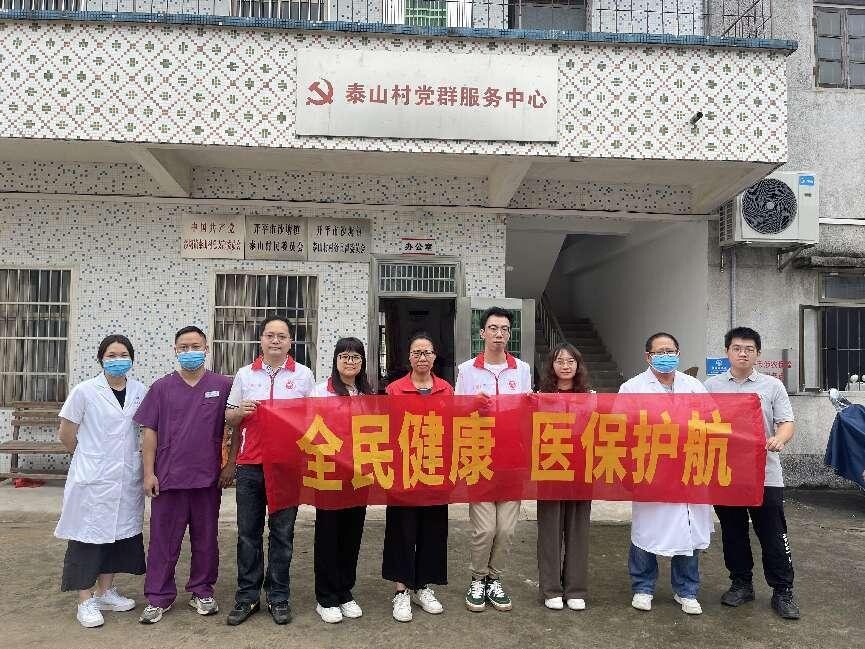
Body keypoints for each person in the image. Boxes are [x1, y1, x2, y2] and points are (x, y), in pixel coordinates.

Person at [134, 326, 234, 624]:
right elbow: (149, 432)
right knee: (163, 540)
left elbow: (236, 426)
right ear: (175, 351)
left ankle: (202, 591)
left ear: (207, 349)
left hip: (207, 478)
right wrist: (148, 473)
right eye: (184, 347)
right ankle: (158, 596)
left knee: (206, 539)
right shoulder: (161, 388)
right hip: (169, 478)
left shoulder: (223, 385)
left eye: (196, 346)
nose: (190, 352)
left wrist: (231, 464)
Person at [224, 316, 315, 626]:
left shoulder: (303, 375)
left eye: (282, 336)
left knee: (282, 535)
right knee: (248, 534)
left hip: (287, 466)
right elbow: (229, 416)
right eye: (270, 335)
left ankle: (278, 596)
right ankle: (247, 596)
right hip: (251, 465)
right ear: (260, 340)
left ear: (290, 342)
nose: (276, 341)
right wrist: (240, 411)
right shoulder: (245, 374)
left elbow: (312, 419)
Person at [704, 327, 800, 620]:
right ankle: (741, 584)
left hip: (765, 474)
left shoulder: (772, 386)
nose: (742, 353)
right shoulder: (710, 386)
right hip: (726, 473)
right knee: (733, 532)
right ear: (727, 352)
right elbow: (698, 422)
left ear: (758, 353)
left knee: (772, 533)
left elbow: (787, 422)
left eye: (749, 349)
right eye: (736, 348)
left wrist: (780, 439)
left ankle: (782, 590)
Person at [55, 334, 147, 628]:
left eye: (123, 355)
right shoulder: (84, 391)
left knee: (117, 537)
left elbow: (144, 430)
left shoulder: (139, 391)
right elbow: (66, 433)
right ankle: (85, 600)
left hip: (125, 476)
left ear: (132, 359)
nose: (118, 360)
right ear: (101, 359)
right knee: (87, 537)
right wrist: (87, 458)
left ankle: (105, 592)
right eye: (111, 355)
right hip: (93, 478)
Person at [618, 332, 713, 616]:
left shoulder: (694, 386)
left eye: (670, 351)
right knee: (647, 528)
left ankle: (686, 590)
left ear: (678, 354)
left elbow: (712, 420)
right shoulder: (632, 388)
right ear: (647, 357)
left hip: (688, 468)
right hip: (651, 468)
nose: (666, 356)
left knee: (688, 530)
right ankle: (643, 587)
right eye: (659, 352)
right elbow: (620, 427)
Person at [455, 307, 532, 613]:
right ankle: (477, 578)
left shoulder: (522, 369)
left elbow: (527, 411)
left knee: (507, 529)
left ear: (510, 334)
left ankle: (494, 579)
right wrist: (471, 406)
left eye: (504, 329)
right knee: (485, 529)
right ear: (482, 333)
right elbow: (456, 412)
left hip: (513, 458)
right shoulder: (467, 370)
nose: (499, 334)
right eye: (493, 328)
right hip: (479, 458)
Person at [383, 332, 453, 622]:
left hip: (435, 470)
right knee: (402, 529)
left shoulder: (446, 389)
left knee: (432, 530)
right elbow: (386, 429)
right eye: (417, 353)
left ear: (434, 357)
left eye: (427, 352)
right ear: (409, 357)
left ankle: (423, 586)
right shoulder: (394, 390)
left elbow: (454, 426)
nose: (422, 357)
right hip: (403, 471)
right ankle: (401, 590)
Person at [309, 337, 373, 624]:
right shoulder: (320, 391)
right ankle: (325, 597)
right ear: (335, 360)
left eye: (356, 357)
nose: (350, 362)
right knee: (328, 534)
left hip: (359, 475)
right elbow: (309, 429)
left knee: (352, 533)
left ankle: (345, 591)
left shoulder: (367, 393)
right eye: (345, 356)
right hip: (329, 475)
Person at [536, 343, 592, 611]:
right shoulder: (540, 397)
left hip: (581, 470)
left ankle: (576, 589)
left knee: (578, 531)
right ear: (552, 366)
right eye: (560, 361)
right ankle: (550, 589)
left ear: (578, 365)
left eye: (571, 361)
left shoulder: (591, 397)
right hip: (550, 468)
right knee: (549, 531)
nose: (566, 366)